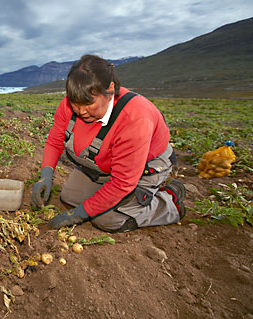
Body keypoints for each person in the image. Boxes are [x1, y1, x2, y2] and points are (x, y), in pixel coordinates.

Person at [31, 54, 186, 232]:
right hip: (103, 167)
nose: (81, 111)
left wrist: (81, 213)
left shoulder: (135, 119)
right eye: (75, 103)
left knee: (107, 219)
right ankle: (111, 196)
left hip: (143, 169)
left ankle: (169, 202)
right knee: (70, 198)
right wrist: (46, 176)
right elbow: (55, 141)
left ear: (110, 89)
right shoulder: (67, 105)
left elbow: (122, 182)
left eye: (89, 103)